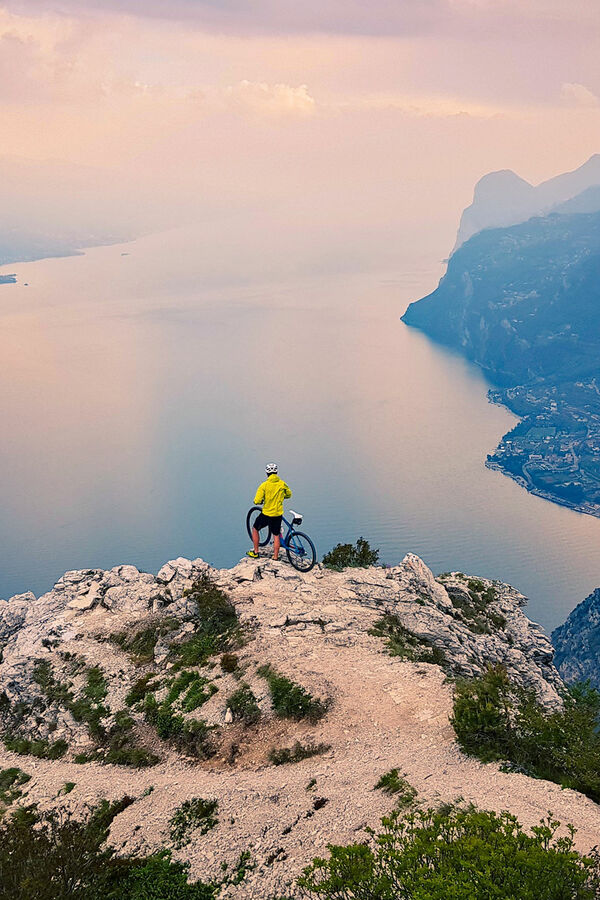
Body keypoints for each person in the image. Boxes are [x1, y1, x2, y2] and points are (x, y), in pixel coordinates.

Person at [247, 463, 292, 561]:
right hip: (277, 514)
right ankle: (275, 557)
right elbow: (289, 494)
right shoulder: (282, 484)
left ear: (267, 473)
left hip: (267, 513)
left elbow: (257, 500)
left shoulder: (264, 485)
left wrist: (258, 502)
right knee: (276, 534)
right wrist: (281, 497)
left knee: (255, 529)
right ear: (276, 472)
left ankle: (256, 552)